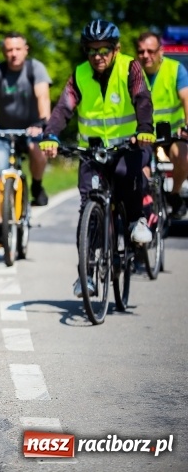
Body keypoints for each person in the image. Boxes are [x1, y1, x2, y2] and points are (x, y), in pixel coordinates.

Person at [39, 20, 154, 297]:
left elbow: (142, 98)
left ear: (116, 49)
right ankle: (86, 276)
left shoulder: (130, 67)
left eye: (104, 50)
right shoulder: (79, 74)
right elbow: (64, 108)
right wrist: (50, 135)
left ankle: (137, 220)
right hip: (92, 151)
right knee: (89, 210)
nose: (98, 56)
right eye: (91, 51)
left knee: (128, 177)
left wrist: (145, 130)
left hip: (128, 145)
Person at [0, 31, 53, 247]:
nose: (13, 54)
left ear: (26, 50)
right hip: (4, 131)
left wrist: (41, 122)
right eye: (9, 50)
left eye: (18, 49)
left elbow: (43, 97)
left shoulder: (35, 68)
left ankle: (37, 186)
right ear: (4, 52)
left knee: (38, 150)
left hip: (31, 129)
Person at [135, 31, 188, 219]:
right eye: (141, 52)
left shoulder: (175, 70)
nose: (146, 56)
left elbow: (186, 98)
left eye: (151, 51)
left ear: (161, 51)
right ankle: (146, 208)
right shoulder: (133, 73)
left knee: (182, 156)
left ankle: (174, 195)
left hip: (172, 132)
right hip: (144, 134)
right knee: (140, 169)